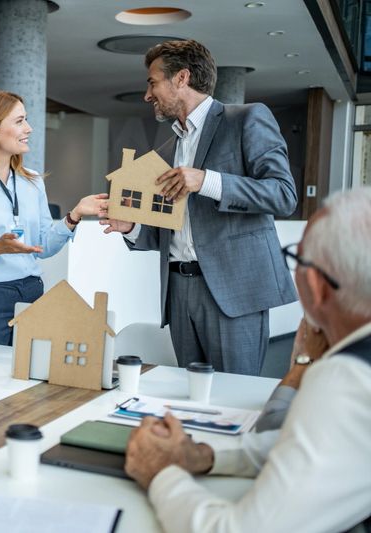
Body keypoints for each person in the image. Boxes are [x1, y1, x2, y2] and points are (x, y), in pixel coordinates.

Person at [124, 188, 371, 532]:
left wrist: (161, 472)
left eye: (295, 258)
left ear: (317, 285)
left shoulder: (345, 379)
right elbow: (309, 443)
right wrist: (205, 455)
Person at [100, 39, 297, 375]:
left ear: (182, 78)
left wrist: (207, 181)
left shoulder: (246, 119)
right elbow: (167, 230)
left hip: (234, 291)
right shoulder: (166, 149)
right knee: (189, 392)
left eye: (152, 82)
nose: (147, 95)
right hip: (178, 292)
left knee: (233, 394)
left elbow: (283, 194)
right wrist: (132, 227)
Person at [0, 89, 106, 346]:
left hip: (31, 292)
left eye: (26, 119)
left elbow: (43, 246)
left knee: (30, 370)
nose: (29, 128)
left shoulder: (33, 181)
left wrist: (75, 215)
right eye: (19, 121)